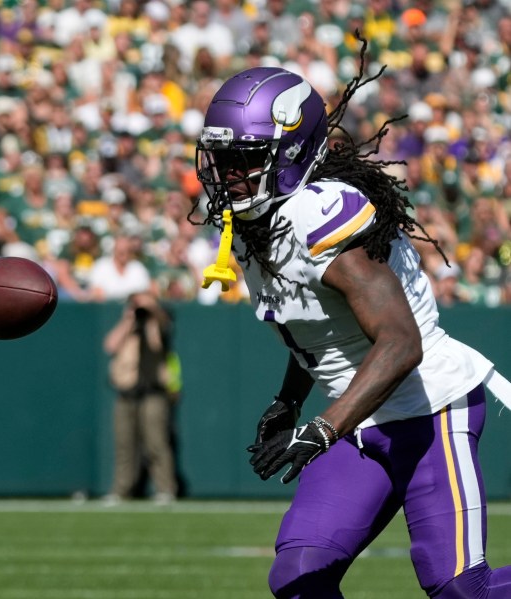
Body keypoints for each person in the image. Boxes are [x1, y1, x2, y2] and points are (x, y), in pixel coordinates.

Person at [193, 59, 511, 598]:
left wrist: (321, 428)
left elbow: (400, 342)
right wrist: (290, 400)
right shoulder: (253, 225)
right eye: (220, 160)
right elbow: (317, 326)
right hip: (358, 420)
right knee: (299, 580)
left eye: (242, 160)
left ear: (290, 153)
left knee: (462, 590)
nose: (226, 175)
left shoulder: (319, 216)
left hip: (428, 409)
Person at [103, 291, 178, 505]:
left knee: (156, 442)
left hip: (153, 391)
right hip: (126, 391)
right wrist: (129, 320)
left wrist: (152, 315)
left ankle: (165, 489)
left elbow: (157, 345)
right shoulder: (129, 326)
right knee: (124, 444)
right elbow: (110, 345)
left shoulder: (158, 324)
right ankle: (121, 489)